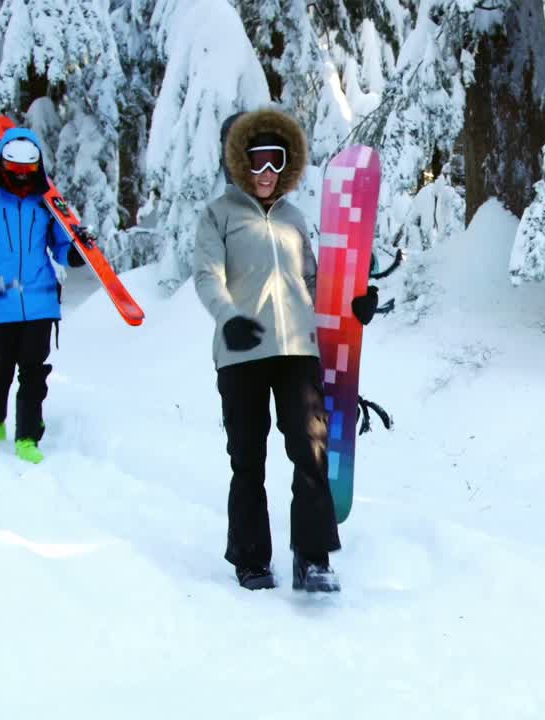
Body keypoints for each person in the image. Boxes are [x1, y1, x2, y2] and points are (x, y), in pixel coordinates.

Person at [193, 107, 378, 593]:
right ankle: (251, 560)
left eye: (276, 162)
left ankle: (313, 559)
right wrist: (229, 318)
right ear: (236, 163)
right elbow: (207, 275)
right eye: (256, 162)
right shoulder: (217, 216)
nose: (266, 174)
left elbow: (315, 284)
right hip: (241, 353)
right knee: (248, 459)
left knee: (310, 451)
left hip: (298, 351)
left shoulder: (295, 219)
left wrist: (354, 303)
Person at [0, 124, 85, 464]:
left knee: (33, 370)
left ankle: (27, 435)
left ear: (38, 168)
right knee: (0, 369)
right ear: (3, 165)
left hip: (40, 299)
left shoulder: (46, 204)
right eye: (15, 170)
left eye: (28, 170)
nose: (22, 177)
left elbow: (59, 244)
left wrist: (72, 253)